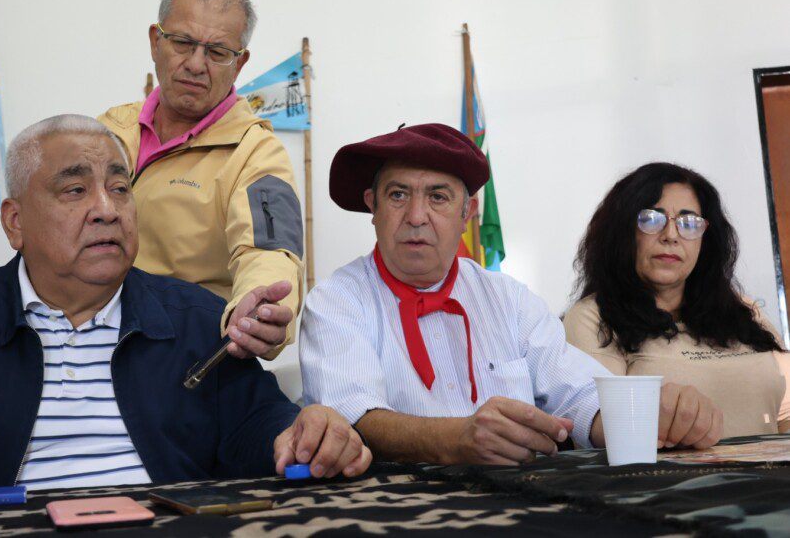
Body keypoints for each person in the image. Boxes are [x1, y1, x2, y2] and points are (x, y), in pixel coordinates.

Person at [0, 115, 370, 492]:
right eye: (75, 190)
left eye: (120, 188)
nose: (106, 209)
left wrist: (301, 433)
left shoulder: (195, 322)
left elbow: (259, 426)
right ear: (15, 222)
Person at [300, 124, 722, 466]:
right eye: (398, 195)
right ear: (372, 207)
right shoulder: (335, 301)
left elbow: (578, 396)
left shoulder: (509, 299)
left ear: (467, 213)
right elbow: (353, 417)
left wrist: (651, 415)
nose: (416, 216)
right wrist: (456, 439)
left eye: (438, 197)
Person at [98, 0, 303, 360]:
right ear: (155, 41)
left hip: (182, 353)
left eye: (217, 52)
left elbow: (269, 251)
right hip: (83, 342)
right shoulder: (108, 131)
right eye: (182, 43)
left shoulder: (258, 154)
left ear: (239, 64)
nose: (195, 64)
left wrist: (260, 303)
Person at [564, 162, 790, 439]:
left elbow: (785, 415)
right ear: (622, 232)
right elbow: (607, 431)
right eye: (651, 219)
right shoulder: (593, 318)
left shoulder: (743, 311)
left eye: (689, 223)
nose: (671, 236)